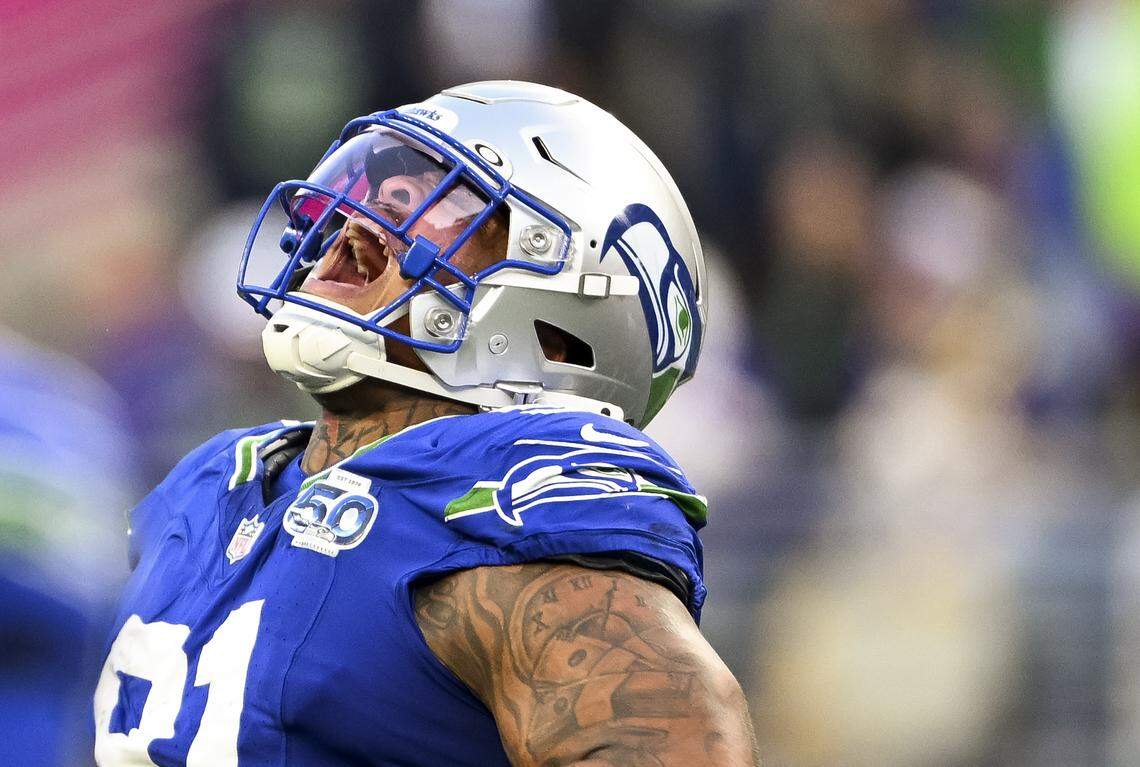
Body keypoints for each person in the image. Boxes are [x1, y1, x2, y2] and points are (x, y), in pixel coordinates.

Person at [93, 80, 757, 766]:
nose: (356, 223)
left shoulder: (507, 505)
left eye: (443, 201)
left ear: (559, 331)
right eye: (376, 187)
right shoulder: (208, 486)